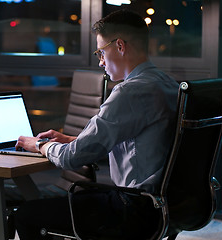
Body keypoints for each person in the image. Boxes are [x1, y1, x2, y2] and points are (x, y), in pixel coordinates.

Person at [14, 9, 179, 239]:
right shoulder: (168, 84)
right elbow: (140, 144)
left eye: (101, 52)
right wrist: (73, 140)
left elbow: (72, 158)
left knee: (26, 215)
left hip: (132, 209)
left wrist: (40, 145)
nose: (100, 61)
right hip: (167, 207)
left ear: (120, 46)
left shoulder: (129, 92)